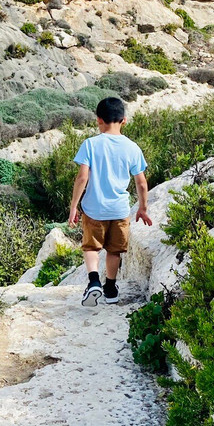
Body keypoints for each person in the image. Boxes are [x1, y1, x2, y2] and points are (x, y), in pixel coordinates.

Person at [68, 97, 152, 306]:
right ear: (124, 120)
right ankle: (111, 288)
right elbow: (141, 183)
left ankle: (94, 282)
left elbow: (82, 178)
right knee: (114, 250)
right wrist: (143, 208)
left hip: (94, 209)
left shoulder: (90, 144)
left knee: (91, 247)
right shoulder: (132, 148)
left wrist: (73, 207)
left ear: (98, 120)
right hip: (119, 210)